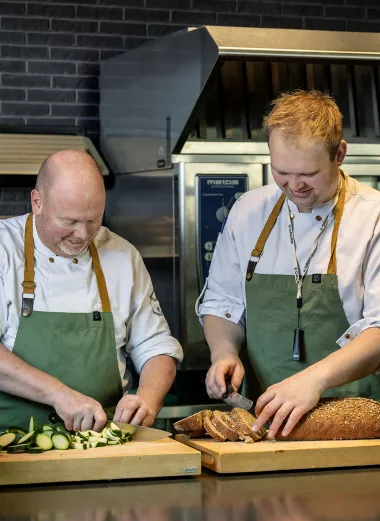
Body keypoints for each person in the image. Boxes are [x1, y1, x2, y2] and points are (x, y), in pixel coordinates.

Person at [197, 90, 380, 439]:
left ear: (339, 154)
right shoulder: (248, 211)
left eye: (308, 174)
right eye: (280, 172)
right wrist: (224, 352)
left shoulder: (373, 218)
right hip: (266, 421)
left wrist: (312, 381)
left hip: (361, 428)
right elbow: (223, 302)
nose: (294, 187)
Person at [0, 150, 183, 431]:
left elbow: (155, 345)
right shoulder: (4, 249)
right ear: (37, 202)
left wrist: (147, 398)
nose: (83, 236)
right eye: (69, 222)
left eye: (93, 220)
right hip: (12, 448)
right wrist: (58, 394)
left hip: (102, 443)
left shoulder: (123, 255)